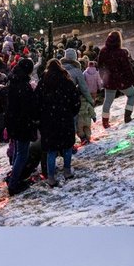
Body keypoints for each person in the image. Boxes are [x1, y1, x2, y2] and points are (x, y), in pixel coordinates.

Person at [36, 58, 80, 187]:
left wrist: (40, 117)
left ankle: (51, 177)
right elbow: (75, 99)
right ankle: (67, 171)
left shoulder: (42, 83)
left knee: (51, 150)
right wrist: (72, 112)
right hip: (65, 118)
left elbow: (37, 102)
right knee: (66, 146)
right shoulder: (67, 81)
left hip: (48, 121)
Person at [6, 57, 39, 195]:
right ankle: (14, 183)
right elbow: (28, 107)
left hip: (14, 122)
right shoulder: (23, 86)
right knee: (22, 154)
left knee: (18, 152)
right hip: (22, 123)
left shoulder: (14, 82)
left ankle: (14, 177)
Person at [97, 30, 134, 127]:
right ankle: (127, 117)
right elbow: (127, 68)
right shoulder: (121, 52)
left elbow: (100, 66)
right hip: (122, 80)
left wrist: (104, 77)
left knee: (107, 101)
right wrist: (133, 79)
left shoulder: (103, 51)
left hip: (109, 80)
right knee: (131, 95)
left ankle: (105, 122)